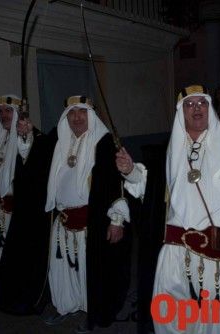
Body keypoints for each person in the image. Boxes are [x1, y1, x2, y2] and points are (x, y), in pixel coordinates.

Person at [116, 85, 220, 333]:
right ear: (181, 113)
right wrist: (130, 171)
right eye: (189, 105)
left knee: (211, 313)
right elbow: (147, 187)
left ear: (209, 108)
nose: (196, 109)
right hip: (174, 246)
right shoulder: (165, 153)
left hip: (210, 247)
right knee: (170, 311)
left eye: (201, 103)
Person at [44, 95, 132, 331]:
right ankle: (66, 306)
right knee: (64, 271)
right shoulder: (61, 141)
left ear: (91, 115)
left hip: (90, 224)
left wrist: (117, 219)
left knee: (88, 272)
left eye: (82, 112)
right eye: (72, 113)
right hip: (63, 222)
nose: (77, 117)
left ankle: (91, 312)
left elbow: (118, 184)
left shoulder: (103, 143)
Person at [0, 94, 54, 315]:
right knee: (2, 254)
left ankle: (27, 298)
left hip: (22, 213)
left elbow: (35, 171)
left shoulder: (34, 138)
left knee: (22, 260)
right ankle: (7, 293)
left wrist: (26, 139)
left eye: (8, 111)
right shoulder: (1, 138)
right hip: (0, 210)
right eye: (1, 111)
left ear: (18, 114)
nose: (4, 115)